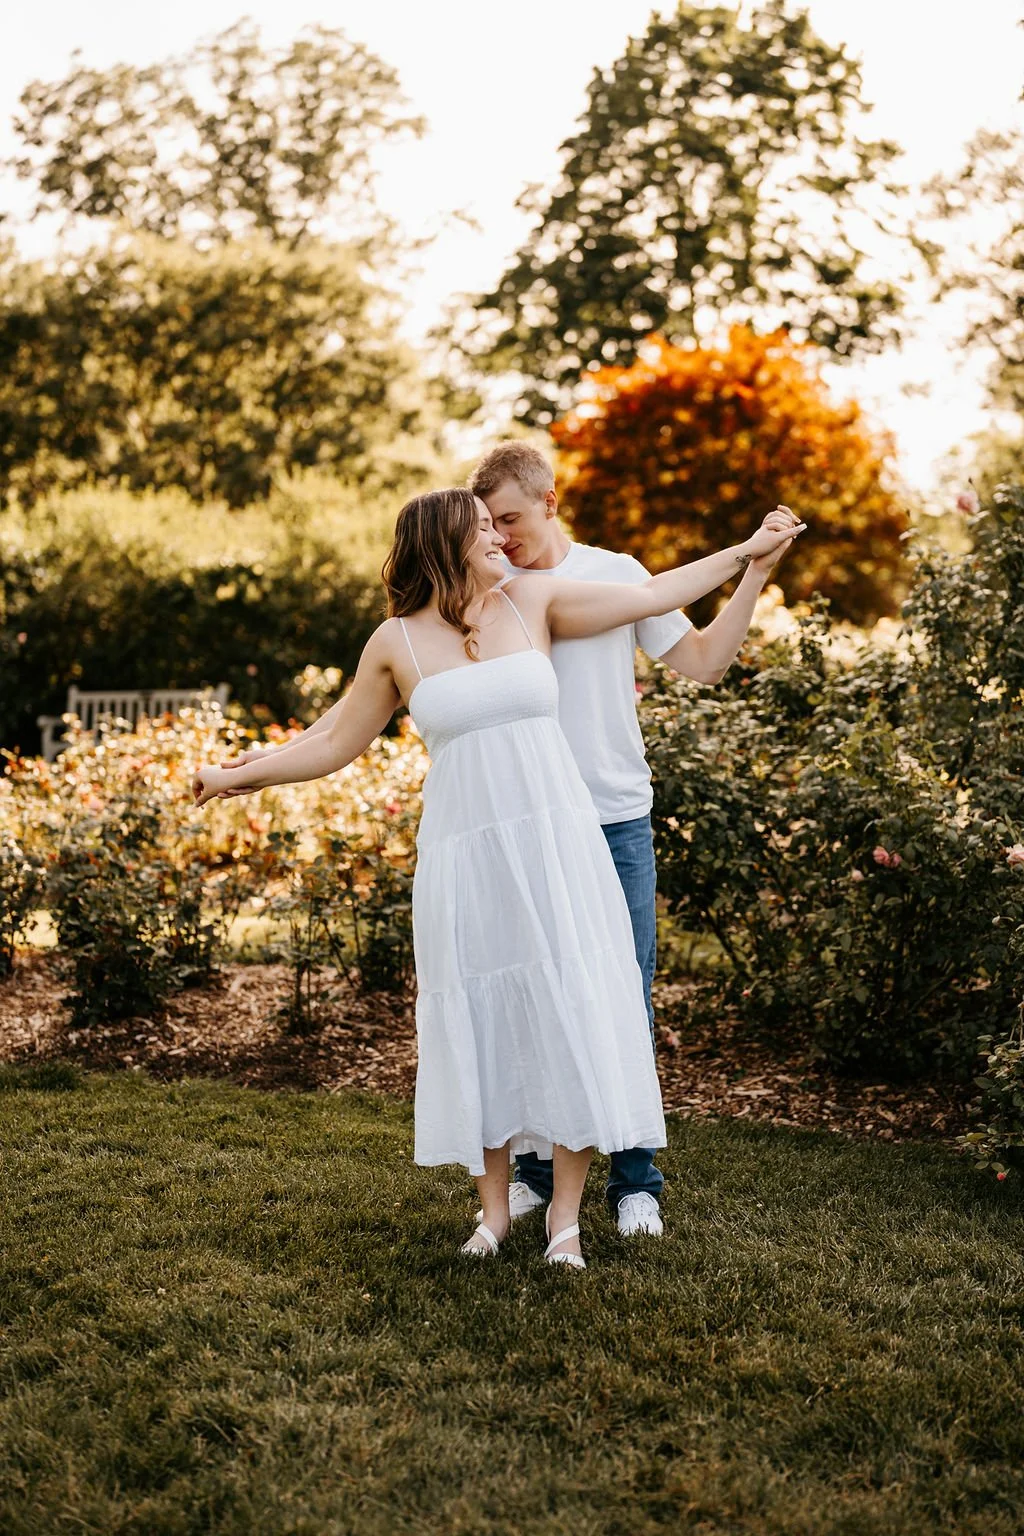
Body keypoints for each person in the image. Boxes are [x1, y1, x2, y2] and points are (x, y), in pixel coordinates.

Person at [194, 489, 804, 1267]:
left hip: (558, 841)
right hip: (465, 852)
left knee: (571, 1007)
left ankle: (567, 1222)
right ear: (442, 543)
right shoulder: (396, 642)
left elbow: (653, 593)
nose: (498, 539)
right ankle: (494, 1215)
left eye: (497, 524)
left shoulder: (533, 602)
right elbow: (336, 741)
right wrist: (238, 776)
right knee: (483, 1015)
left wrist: (747, 551)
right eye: (481, 529)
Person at [468, 442, 796, 1238]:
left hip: (613, 821)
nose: (502, 535)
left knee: (626, 1001)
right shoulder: (491, 590)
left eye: (511, 517)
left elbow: (706, 663)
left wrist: (754, 573)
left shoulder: (619, 575)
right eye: (491, 523)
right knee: (541, 1001)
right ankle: (542, 1178)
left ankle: (635, 1182)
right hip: (531, 826)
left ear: (550, 501)